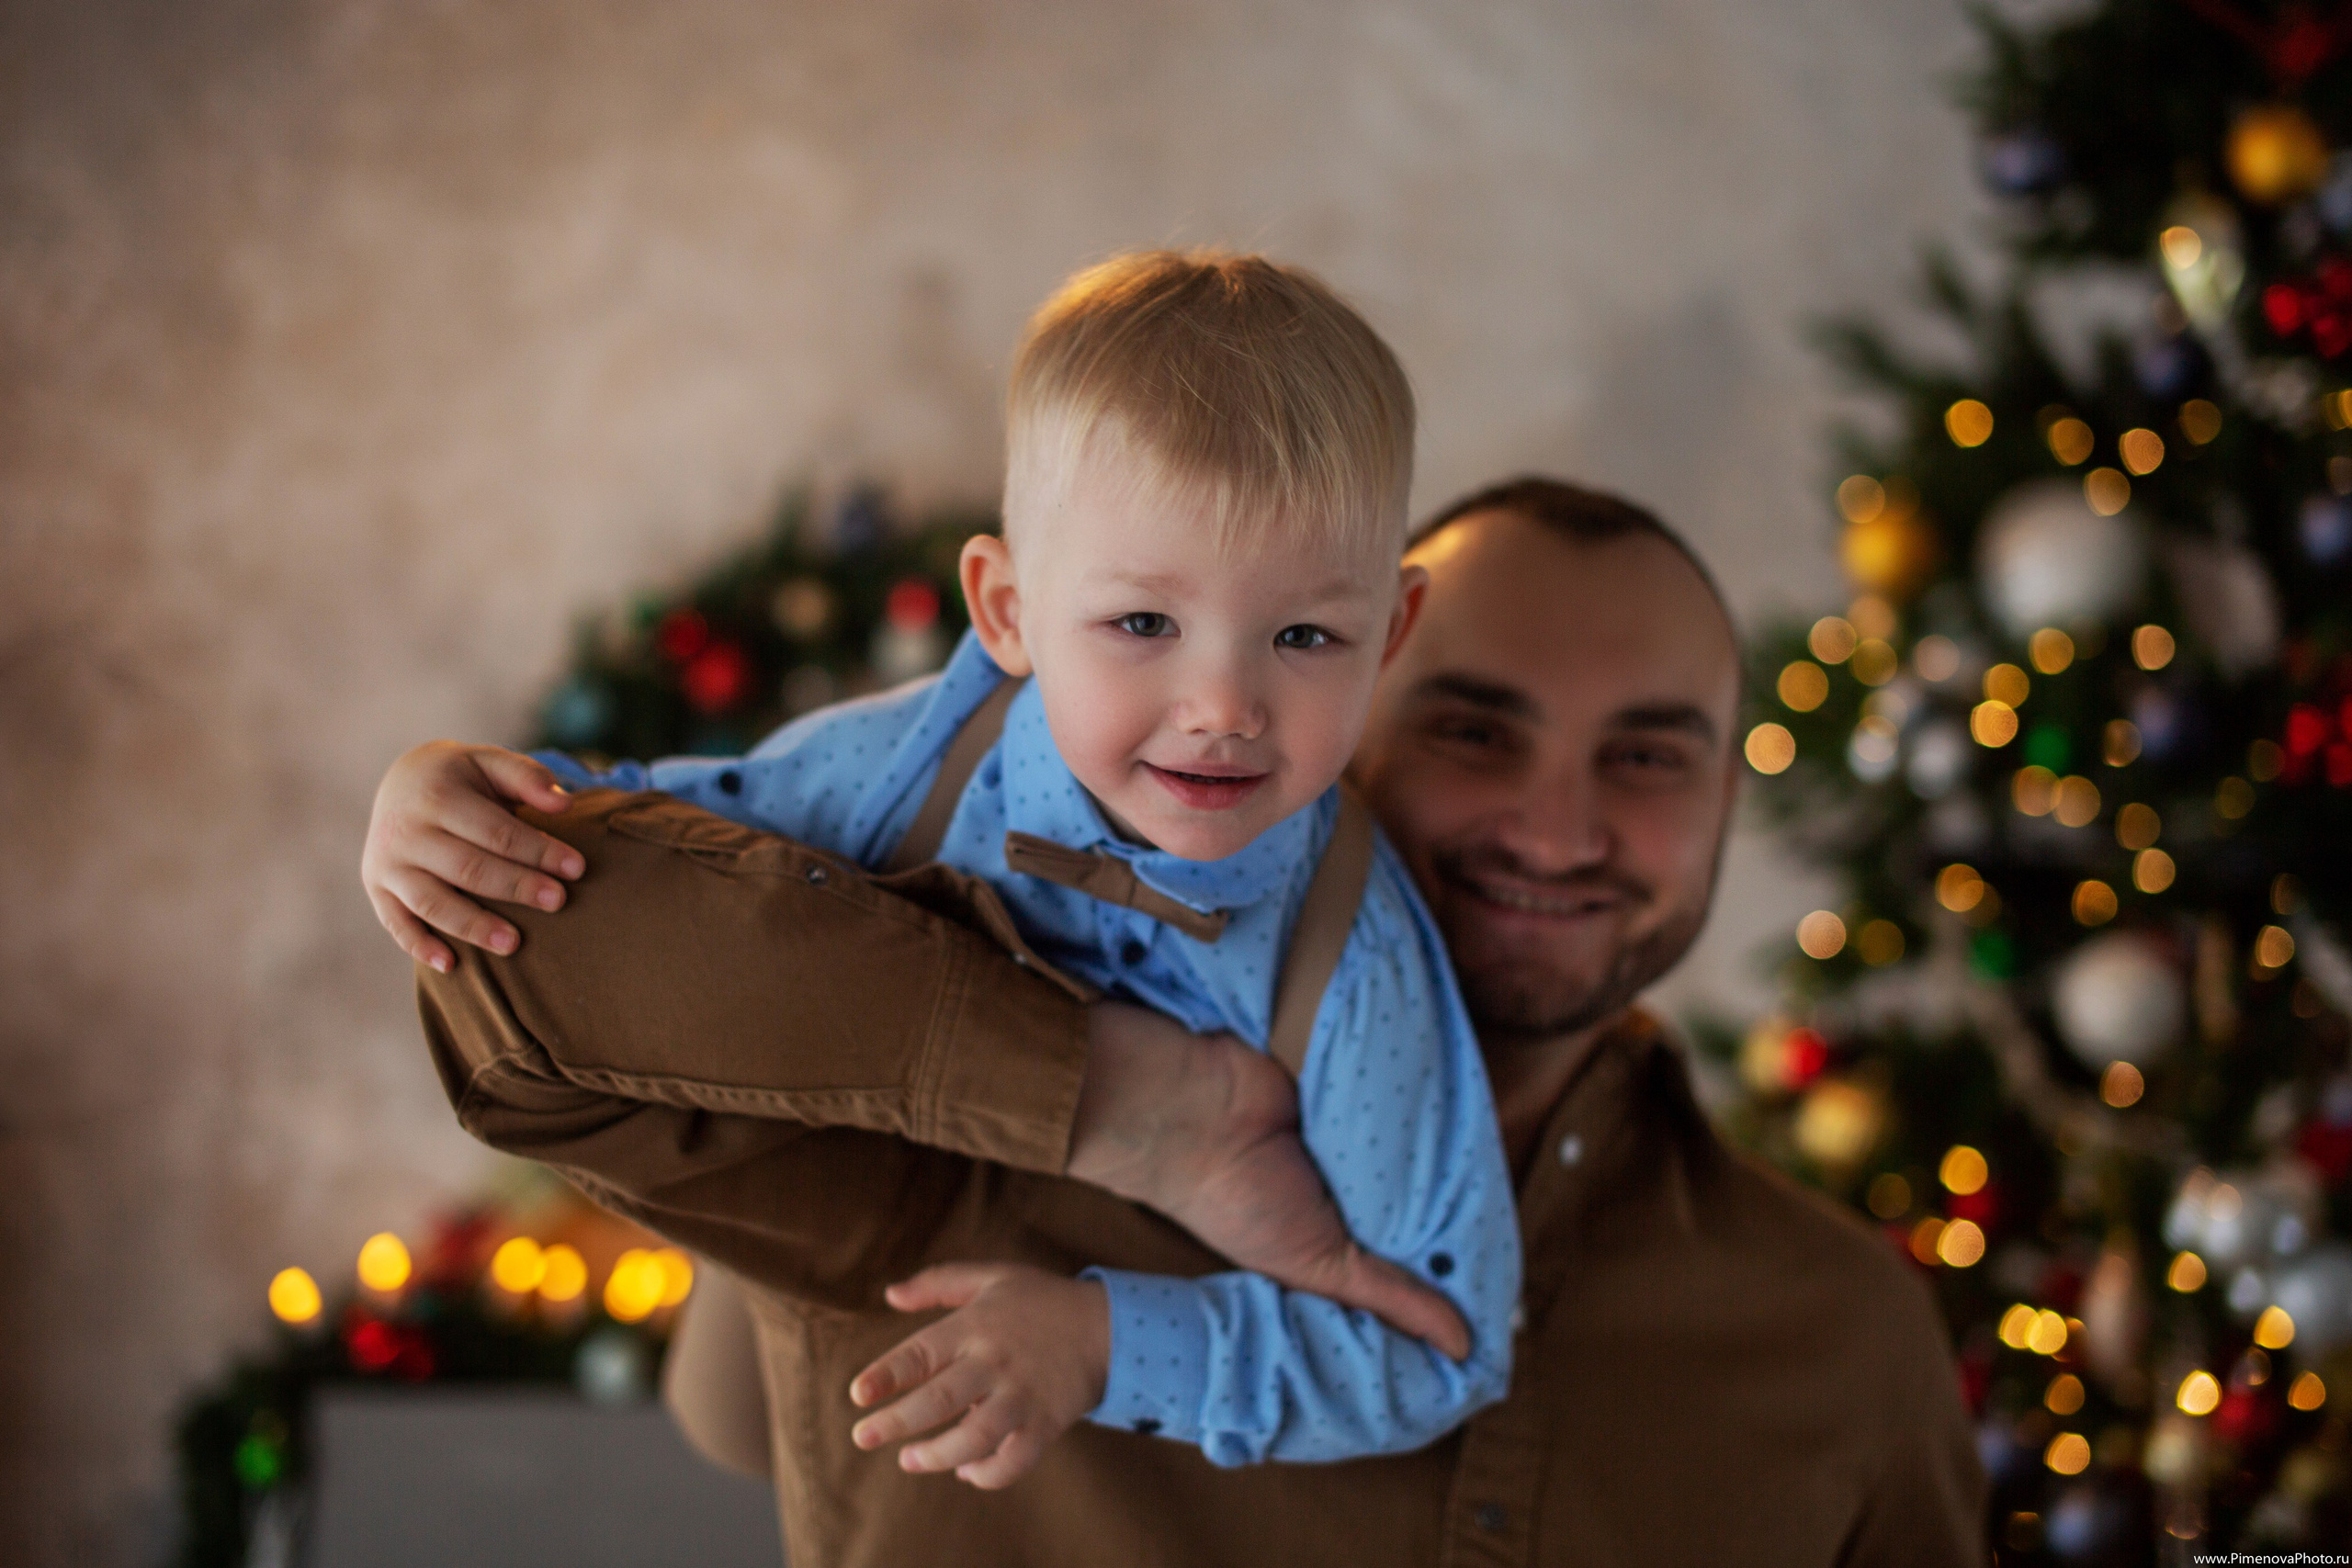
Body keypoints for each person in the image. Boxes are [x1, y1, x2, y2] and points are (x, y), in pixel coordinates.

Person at [375, 476, 1987, 1565]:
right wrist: (1105, 1098)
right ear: (1335, 721)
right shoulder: (929, 1067)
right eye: (1475, 730)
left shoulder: (1843, 1337)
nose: (1555, 827)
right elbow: (517, 986)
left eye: (1650, 754)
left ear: (1723, 799)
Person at [362, 250, 1523, 1484]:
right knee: (523, 918)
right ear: (1007, 609)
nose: (1224, 706)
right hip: (835, 1229)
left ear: (1389, 634)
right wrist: (441, 796)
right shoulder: (919, 764)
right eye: (1143, 624)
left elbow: (1443, 1345)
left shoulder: (1354, 956)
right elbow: (633, 841)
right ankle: (1125, 1107)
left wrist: (1110, 1343)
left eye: (1305, 636)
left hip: (1064, 1371)